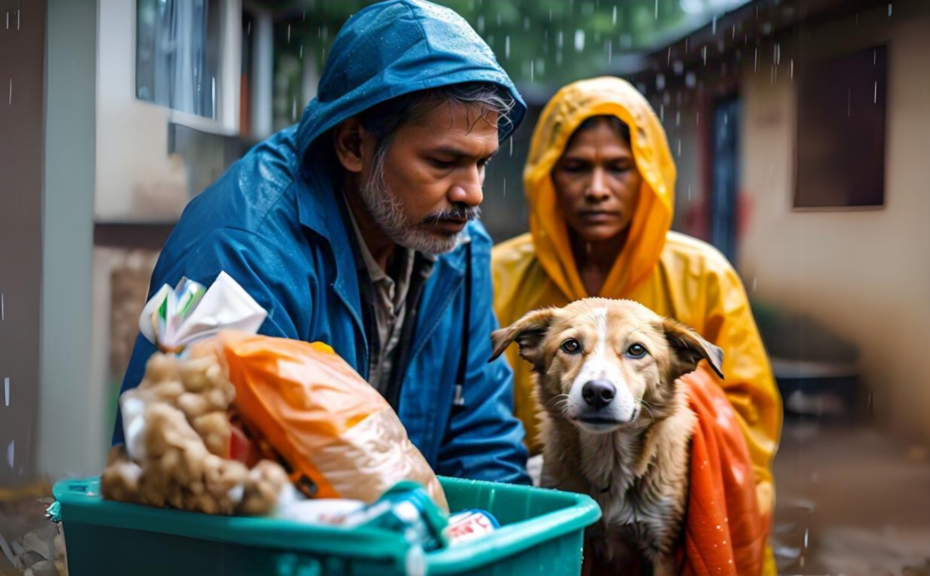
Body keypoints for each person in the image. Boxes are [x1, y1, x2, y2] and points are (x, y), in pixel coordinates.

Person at [113, 0, 529, 485]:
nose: (472, 193)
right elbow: (189, 470)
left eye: (482, 163)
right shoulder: (238, 253)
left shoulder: (460, 245)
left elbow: (483, 444)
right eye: (443, 162)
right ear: (354, 144)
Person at [492, 77, 782, 542]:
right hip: (536, 495)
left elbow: (747, 418)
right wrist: (522, 476)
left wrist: (660, 461)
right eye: (576, 167)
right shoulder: (496, 272)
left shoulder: (703, 273)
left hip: (658, 498)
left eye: (619, 167)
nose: (597, 189)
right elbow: (467, 398)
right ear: (547, 175)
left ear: (648, 172)